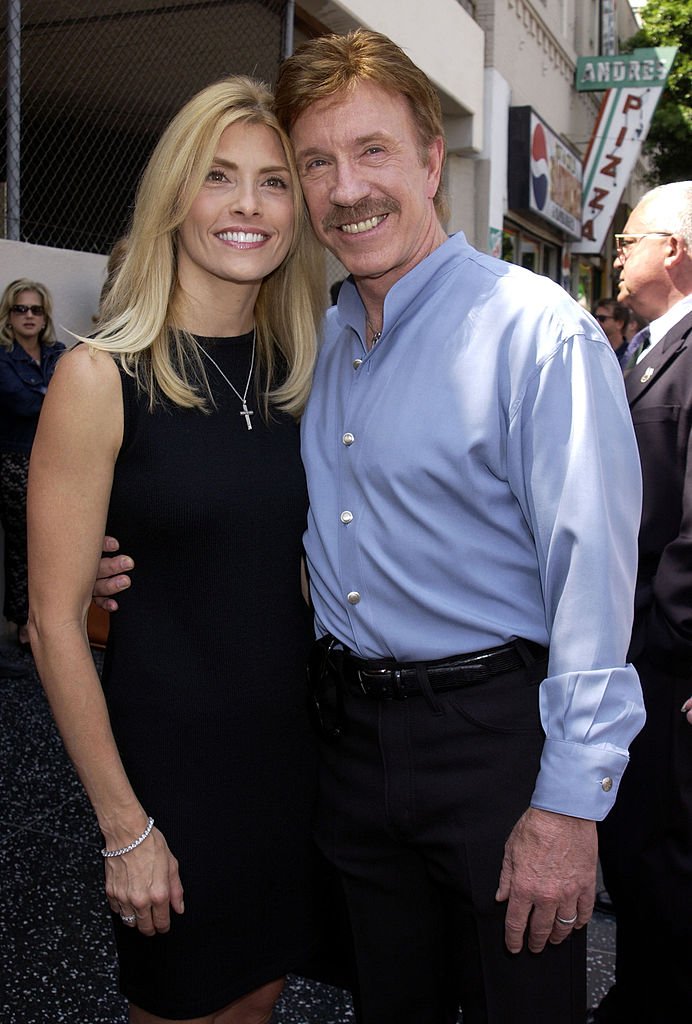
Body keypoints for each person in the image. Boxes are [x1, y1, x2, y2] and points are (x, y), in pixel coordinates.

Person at [94, 30, 646, 1024]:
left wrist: (567, 807)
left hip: (492, 747)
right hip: (344, 748)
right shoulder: (321, 335)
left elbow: (593, 586)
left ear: (432, 158)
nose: (345, 187)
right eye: (317, 162)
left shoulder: (536, 331)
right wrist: (136, 561)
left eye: (372, 151)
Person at [27, 76, 328, 1024]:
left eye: (274, 182)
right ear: (172, 200)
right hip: (172, 776)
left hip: (291, 766)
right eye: (217, 177)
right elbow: (52, 622)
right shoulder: (97, 377)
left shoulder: (307, 374)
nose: (248, 205)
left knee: (260, 1001)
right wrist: (125, 828)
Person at [593, 181, 692, 1024]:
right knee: (635, 849)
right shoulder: (648, 348)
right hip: (636, 650)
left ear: (678, 251)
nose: (618, 252)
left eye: (632, 238)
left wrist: (665, 645)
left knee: (660, 855)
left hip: (662, 661)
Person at [0, 279, 64, 648]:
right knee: (26, 543)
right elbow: (23, 404)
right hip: (16, 461)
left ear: (45, 317)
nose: (28, 316)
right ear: (8, 316)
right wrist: (55, 397)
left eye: (35, 310)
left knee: (55, 542)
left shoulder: (57, 353)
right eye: (20, 309)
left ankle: (55, 620)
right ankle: (26, 623)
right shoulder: (3, 356)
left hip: (57, 460)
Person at [592, 297, 630, 366]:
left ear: (619, 323)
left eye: (602, 318)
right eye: (594, 318)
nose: (597, 322)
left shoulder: (630, 355)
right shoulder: (592, 352)